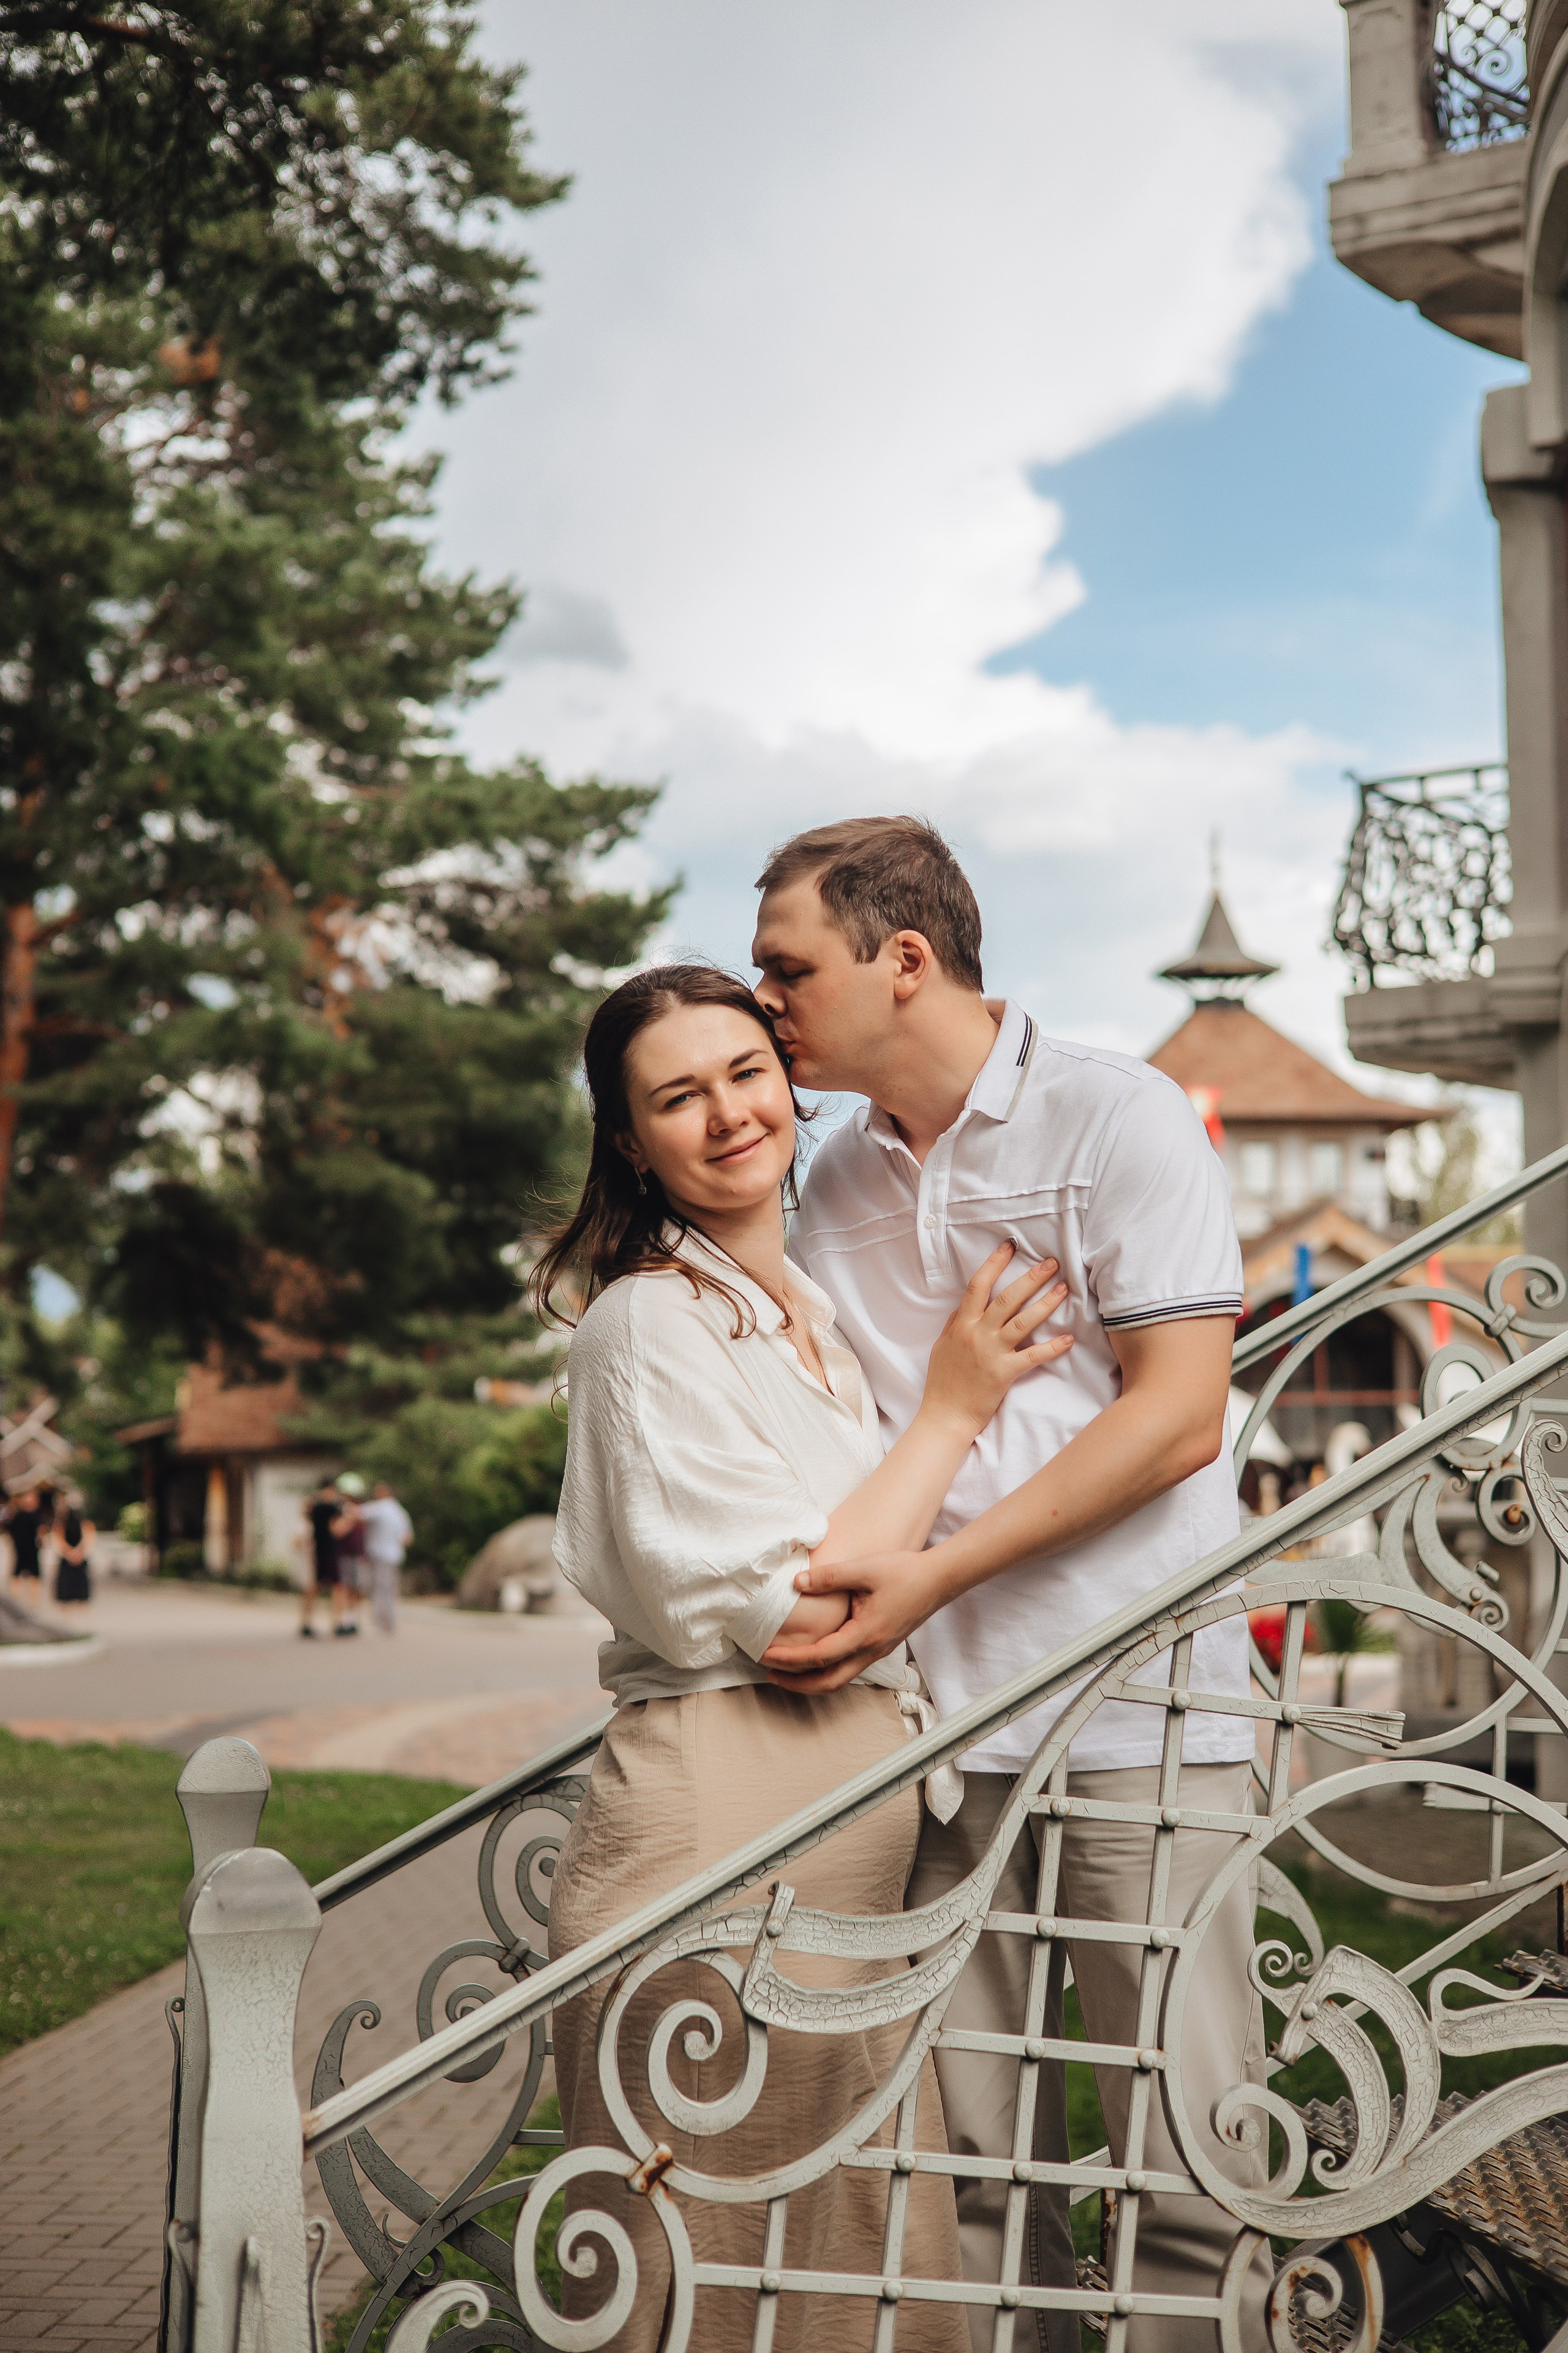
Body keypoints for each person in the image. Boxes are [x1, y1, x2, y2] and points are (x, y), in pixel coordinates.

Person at [750, 817, 1267, 2353]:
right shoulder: (827, 1177)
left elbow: (1176, 1413)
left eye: (787, 967)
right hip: (934, 1742)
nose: (764, 996)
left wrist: (930, 1575)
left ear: (900, 958)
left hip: (1141, 1723)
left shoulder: (1119, 1119)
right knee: (967, 2170)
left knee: (1185, 2155)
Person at [530, 962, 1073, 2353]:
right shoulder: (645, 1323)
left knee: (846, 2266)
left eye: (744, 1073)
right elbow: (801, 1628)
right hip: (722, 1847)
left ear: (789, 1085)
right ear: (626, 1137)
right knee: (709, 2267)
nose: (724, 1114)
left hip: (843, 1866)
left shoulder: (803, 1312)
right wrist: (951, 1408)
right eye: (676, 1094)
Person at [357, 1481, 413, 1633]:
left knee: (380, 1587)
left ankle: (382, 1620)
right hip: (395, 1555)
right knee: (390, 1587)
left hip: (380, 1554)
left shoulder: (380, 1507)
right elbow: (407, 1538)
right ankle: (390, 1619)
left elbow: (357, 1513)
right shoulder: (400, 1512)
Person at [301, 1476, 345, 1638]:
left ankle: (305, 1622)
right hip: (330, 1549)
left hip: (318, 1549)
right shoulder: (333, 1508)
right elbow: (336, 1530)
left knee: (315, 1586)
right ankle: (337, 1623)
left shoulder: (314, 1507)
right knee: (338, 1586)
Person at [332, 1475, 368, 1634]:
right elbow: (337, 1532)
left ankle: (351, 1619)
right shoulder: (339, 1511)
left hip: (355, 1554)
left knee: (354, 1588)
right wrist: (349, 1520)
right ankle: (340, 1621)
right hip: (342, 1554)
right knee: (341, 1588)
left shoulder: (359, 1510)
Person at [53, 1492, 94, 1618]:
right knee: (66, 1583)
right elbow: (58, 1539)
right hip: (70, 1556)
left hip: (77, 1555)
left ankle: (82, 1608)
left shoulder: (84, 1522)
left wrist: (78, 1552)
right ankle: (66, 1608)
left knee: (81, 1582)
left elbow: (89, 1536)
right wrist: (71, 1553)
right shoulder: (61, 1522)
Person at [3, 1487, 48, 1602]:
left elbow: (8, 1530)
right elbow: (42, 1530)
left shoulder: (17, 1515)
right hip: (29, 1548)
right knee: (31, 1575)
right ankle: (29, 1603)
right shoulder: (32, 1515)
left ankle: (18, 1602)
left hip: (22, 1547)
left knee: (20, 1574)